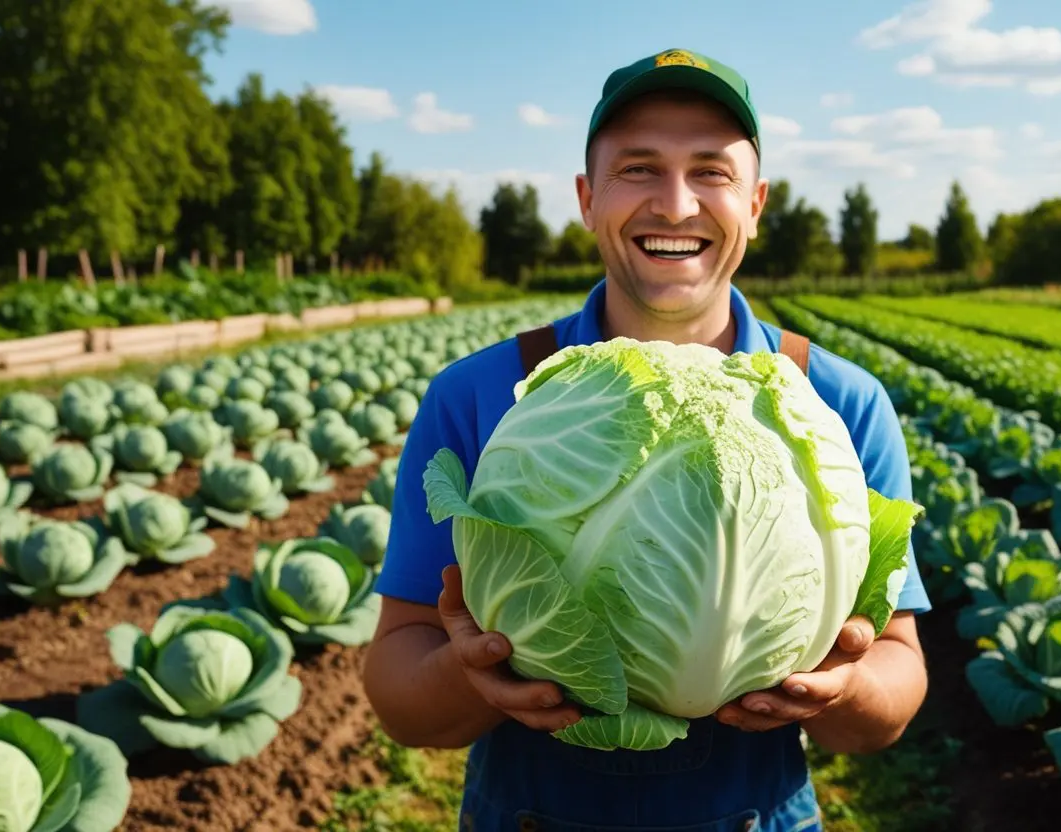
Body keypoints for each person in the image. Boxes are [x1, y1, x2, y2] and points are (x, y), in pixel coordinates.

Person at [362, 47, 933, 832]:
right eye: (638, 169)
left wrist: (845, 690)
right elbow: (401, 697)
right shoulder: (479, 394)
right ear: (587, 197)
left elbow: (894, 688)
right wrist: (472, 675)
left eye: (711, 172)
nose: (675, 204)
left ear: (756, 202)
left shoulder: (836, 402)